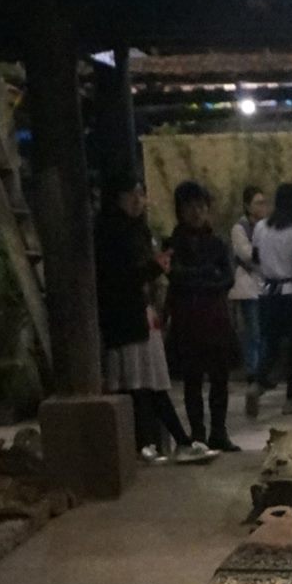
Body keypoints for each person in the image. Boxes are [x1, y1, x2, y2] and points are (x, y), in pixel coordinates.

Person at [93, 171, 199, 465]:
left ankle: (179, 441)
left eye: (141, 194)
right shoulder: (108, 232)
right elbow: (118, 277)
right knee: (135, 382)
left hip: (143, 314)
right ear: (118, 197)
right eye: (133, 194)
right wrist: (153, 268)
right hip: (123, 317)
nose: (139, 200)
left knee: (152, 381)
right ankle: (148, 443)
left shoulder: (138, 229)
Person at [163, 180, 241, 453]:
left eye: (201, 207)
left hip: (216, 319)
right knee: (192, 380)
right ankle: (198, 433)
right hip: (187, 321)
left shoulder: (217, 243)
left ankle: (219, 431)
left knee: (220, 378)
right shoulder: (173, 243)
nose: (196, 212)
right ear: (180, 210)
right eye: (190, 207)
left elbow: (228, 278)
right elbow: (176, 277)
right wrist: (208, 274)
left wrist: (198, 279)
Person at [246, 181, 292, 418]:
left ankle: (257, 384)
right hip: (288, 295)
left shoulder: (261, 228)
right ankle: (290, 399)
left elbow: (255, 259)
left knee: (270, 345)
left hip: (266, 294)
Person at [229, 184, 267, 383]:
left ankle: (262, 369)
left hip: (264, 284)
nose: (262, 207)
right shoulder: (240, 228)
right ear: (247, 205)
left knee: (263, 330)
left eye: (263, 203)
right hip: (248, 284)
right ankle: (253, 370)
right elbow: (246, 254)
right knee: (253, 330)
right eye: (257, 203)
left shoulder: (265, 226)